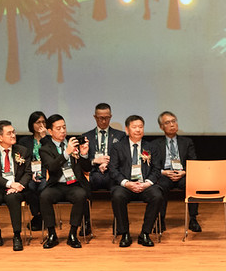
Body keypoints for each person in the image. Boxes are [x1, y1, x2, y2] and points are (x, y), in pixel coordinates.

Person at [109, 115, 163, 248]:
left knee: (157, 195)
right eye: (134, 127)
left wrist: (147, 183)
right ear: (127, 130)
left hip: (145, 184)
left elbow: (156, 169)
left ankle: (145, 233)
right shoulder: (117, 147)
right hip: (126, 185)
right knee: (117, 195)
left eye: (141, 127)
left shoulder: (151, 147)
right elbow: (113, 170)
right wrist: (126, 183)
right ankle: (125, 233)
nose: (138, 130)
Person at [39, 114, 91, 249]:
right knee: (44, 196)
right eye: (58, 128)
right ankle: (52, 234)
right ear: (50, 131)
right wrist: (66, 153)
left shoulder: (73, 144)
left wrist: (83, 154)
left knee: (81, 195)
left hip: (74, 184)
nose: (62, 131)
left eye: (64, 127)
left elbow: (87, 168)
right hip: (56, 185)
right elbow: (51, 167)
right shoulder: (45, 149)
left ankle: (72, 234)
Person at [151, 111, 200, 232]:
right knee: (160, 186)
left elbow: (193, 161)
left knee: (192, 184)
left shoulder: (187, 142)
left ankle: (193, 219)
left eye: (174, 121)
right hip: (165, 174)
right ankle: (160, 220)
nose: (172, 125)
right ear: (161, 127)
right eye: (167, 122)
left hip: (182, 173)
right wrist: (163, 172)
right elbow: (153, 165)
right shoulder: (155, 144)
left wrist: (184, 172)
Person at [0, 121, 31, 251]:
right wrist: (10, 184)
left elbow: (28, 172)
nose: (13, 135)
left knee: (13, 199)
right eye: (9, 133)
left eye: (13, 132)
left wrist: (20, 185)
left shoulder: (23, 151)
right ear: (0, 137)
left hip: (16, 187)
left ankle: (17, 235)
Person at [82, 103, 124, 235]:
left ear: (111, 117)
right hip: (93, 173)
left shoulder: (120, 136)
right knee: (82, 189)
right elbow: (82, 161)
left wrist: (109, 164)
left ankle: (119, 223)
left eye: (106, 117)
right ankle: (86, 222)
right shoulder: (86, 136)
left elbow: (124, 158)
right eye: (100, 118)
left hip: (112, 173)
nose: (104, 121)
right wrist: (95, 161)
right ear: (95, 117)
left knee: (119, 191)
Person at [17, 111, 49, 232]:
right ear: (32, 124)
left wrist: (44, 138)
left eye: (43, 122)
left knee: (43, 187)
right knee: (29, 187)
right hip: (30, 172)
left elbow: (52, 157)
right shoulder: (24, 141)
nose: (41, 125)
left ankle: (43, 216)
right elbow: (22, 161)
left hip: (46, 173)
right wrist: (31, 174)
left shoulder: (49, 140)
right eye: (38, 122)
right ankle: (37, 216)